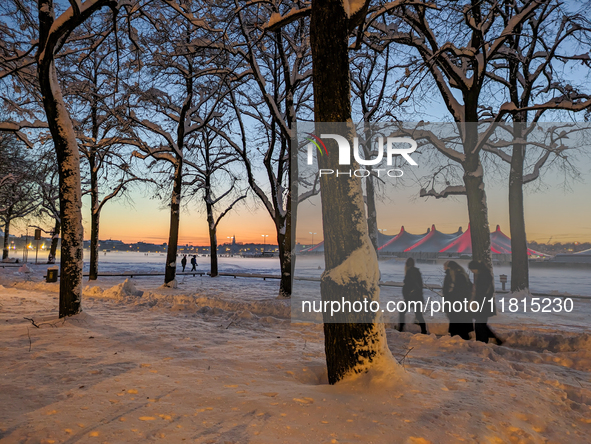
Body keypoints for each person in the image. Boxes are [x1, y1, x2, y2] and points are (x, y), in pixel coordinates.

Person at [468, 260, 502, 345]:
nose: (472, 271)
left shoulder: (483, 276)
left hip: (483, 303)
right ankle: (487, 339)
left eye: (472, 269)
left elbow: (481, 291)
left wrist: (477, 301)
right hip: (484, 303)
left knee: (480, 324)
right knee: (481, 323)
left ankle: (483, 341)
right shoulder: (484, 274)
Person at [442, 261, 473, 340]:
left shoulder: (453, 276)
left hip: (455, 302)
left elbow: (448, 291)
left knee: (456, 321)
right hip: (461, 303)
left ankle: (458, 337)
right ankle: (463, 336)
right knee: (461, 321)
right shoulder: (462, 275)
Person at [398, 257, 428, 334]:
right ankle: (424, 331)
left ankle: (401, 328)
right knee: (418, 315)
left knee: (402, 312)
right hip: (415, 297)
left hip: (411, 298)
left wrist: (408, 294)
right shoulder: (415, 271)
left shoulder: (411, 271)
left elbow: (410, 285)